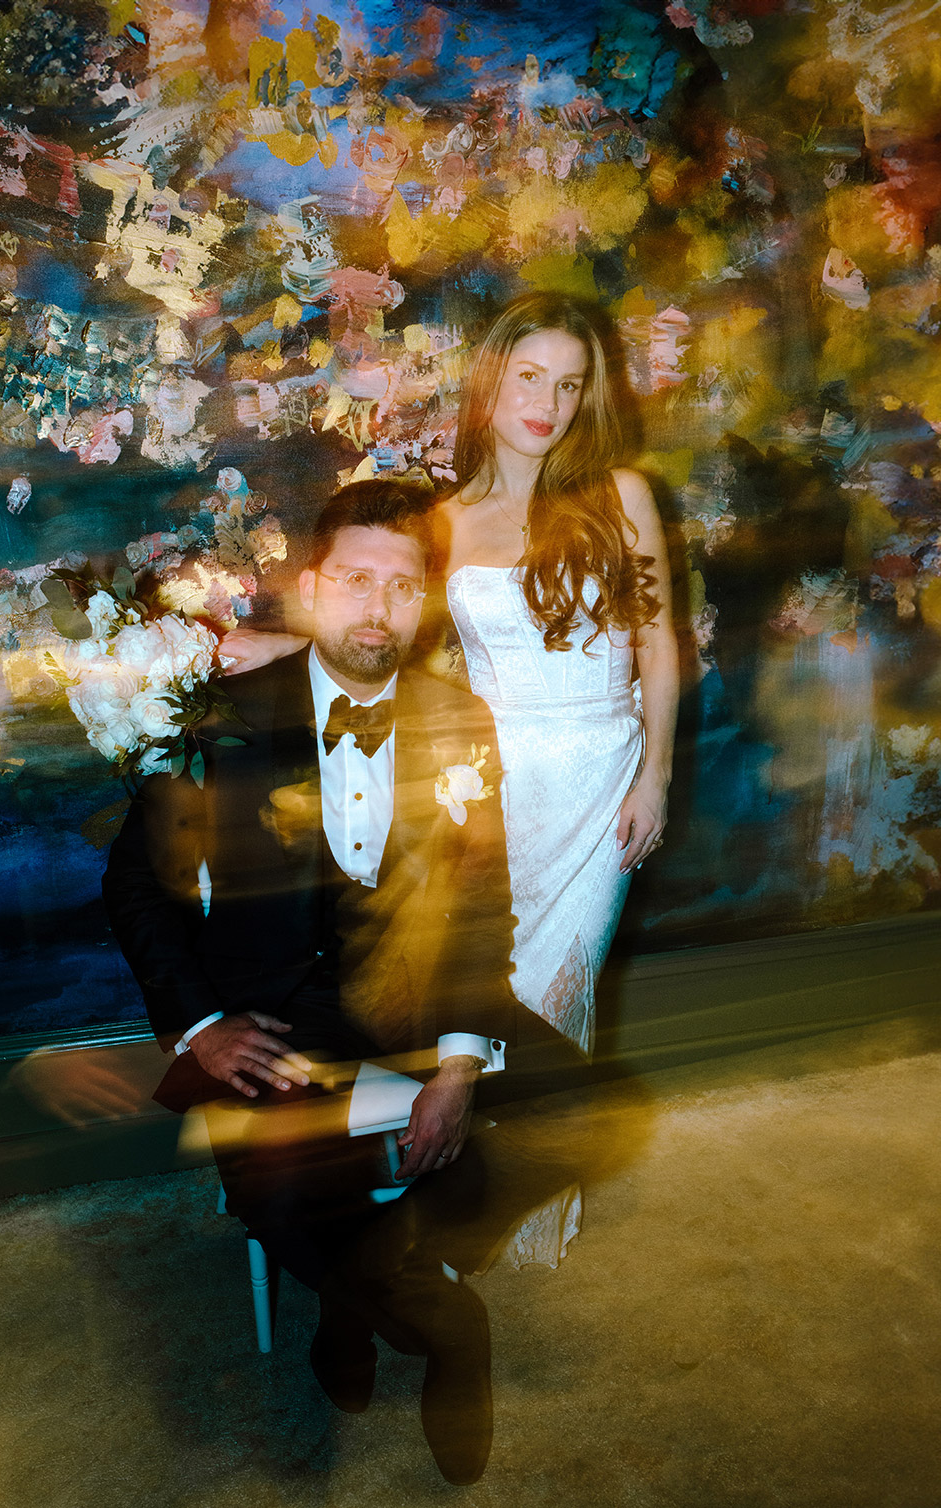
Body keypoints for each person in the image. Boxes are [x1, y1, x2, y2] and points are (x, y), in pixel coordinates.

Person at [220, 292, 680, 1263]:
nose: (546, 401)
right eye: (529, 376)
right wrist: (278, 639)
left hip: (601, 776)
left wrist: (658, 776)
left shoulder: (621, 493)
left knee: (559, 982)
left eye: (568, 383)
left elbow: (658, 642)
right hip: (495, 778)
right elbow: (384, 624)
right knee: (487, 983)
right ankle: (461, 1186)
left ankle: (525, 1200)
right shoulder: (441, 519)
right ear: (493, 380)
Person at [102, 479, 522, 1482]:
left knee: (509, 1156)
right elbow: (135, 889)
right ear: (310, 586)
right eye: (353, 579)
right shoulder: (220, 720)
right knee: (285, 1193)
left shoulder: (459, 718)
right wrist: (198, 1022)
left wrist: (458, 1069)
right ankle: (447, 1329)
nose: (376, 608)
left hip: (411, 1011)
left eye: (401, 583)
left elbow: (480, 904)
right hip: (270, 1022)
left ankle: (345, 1300)